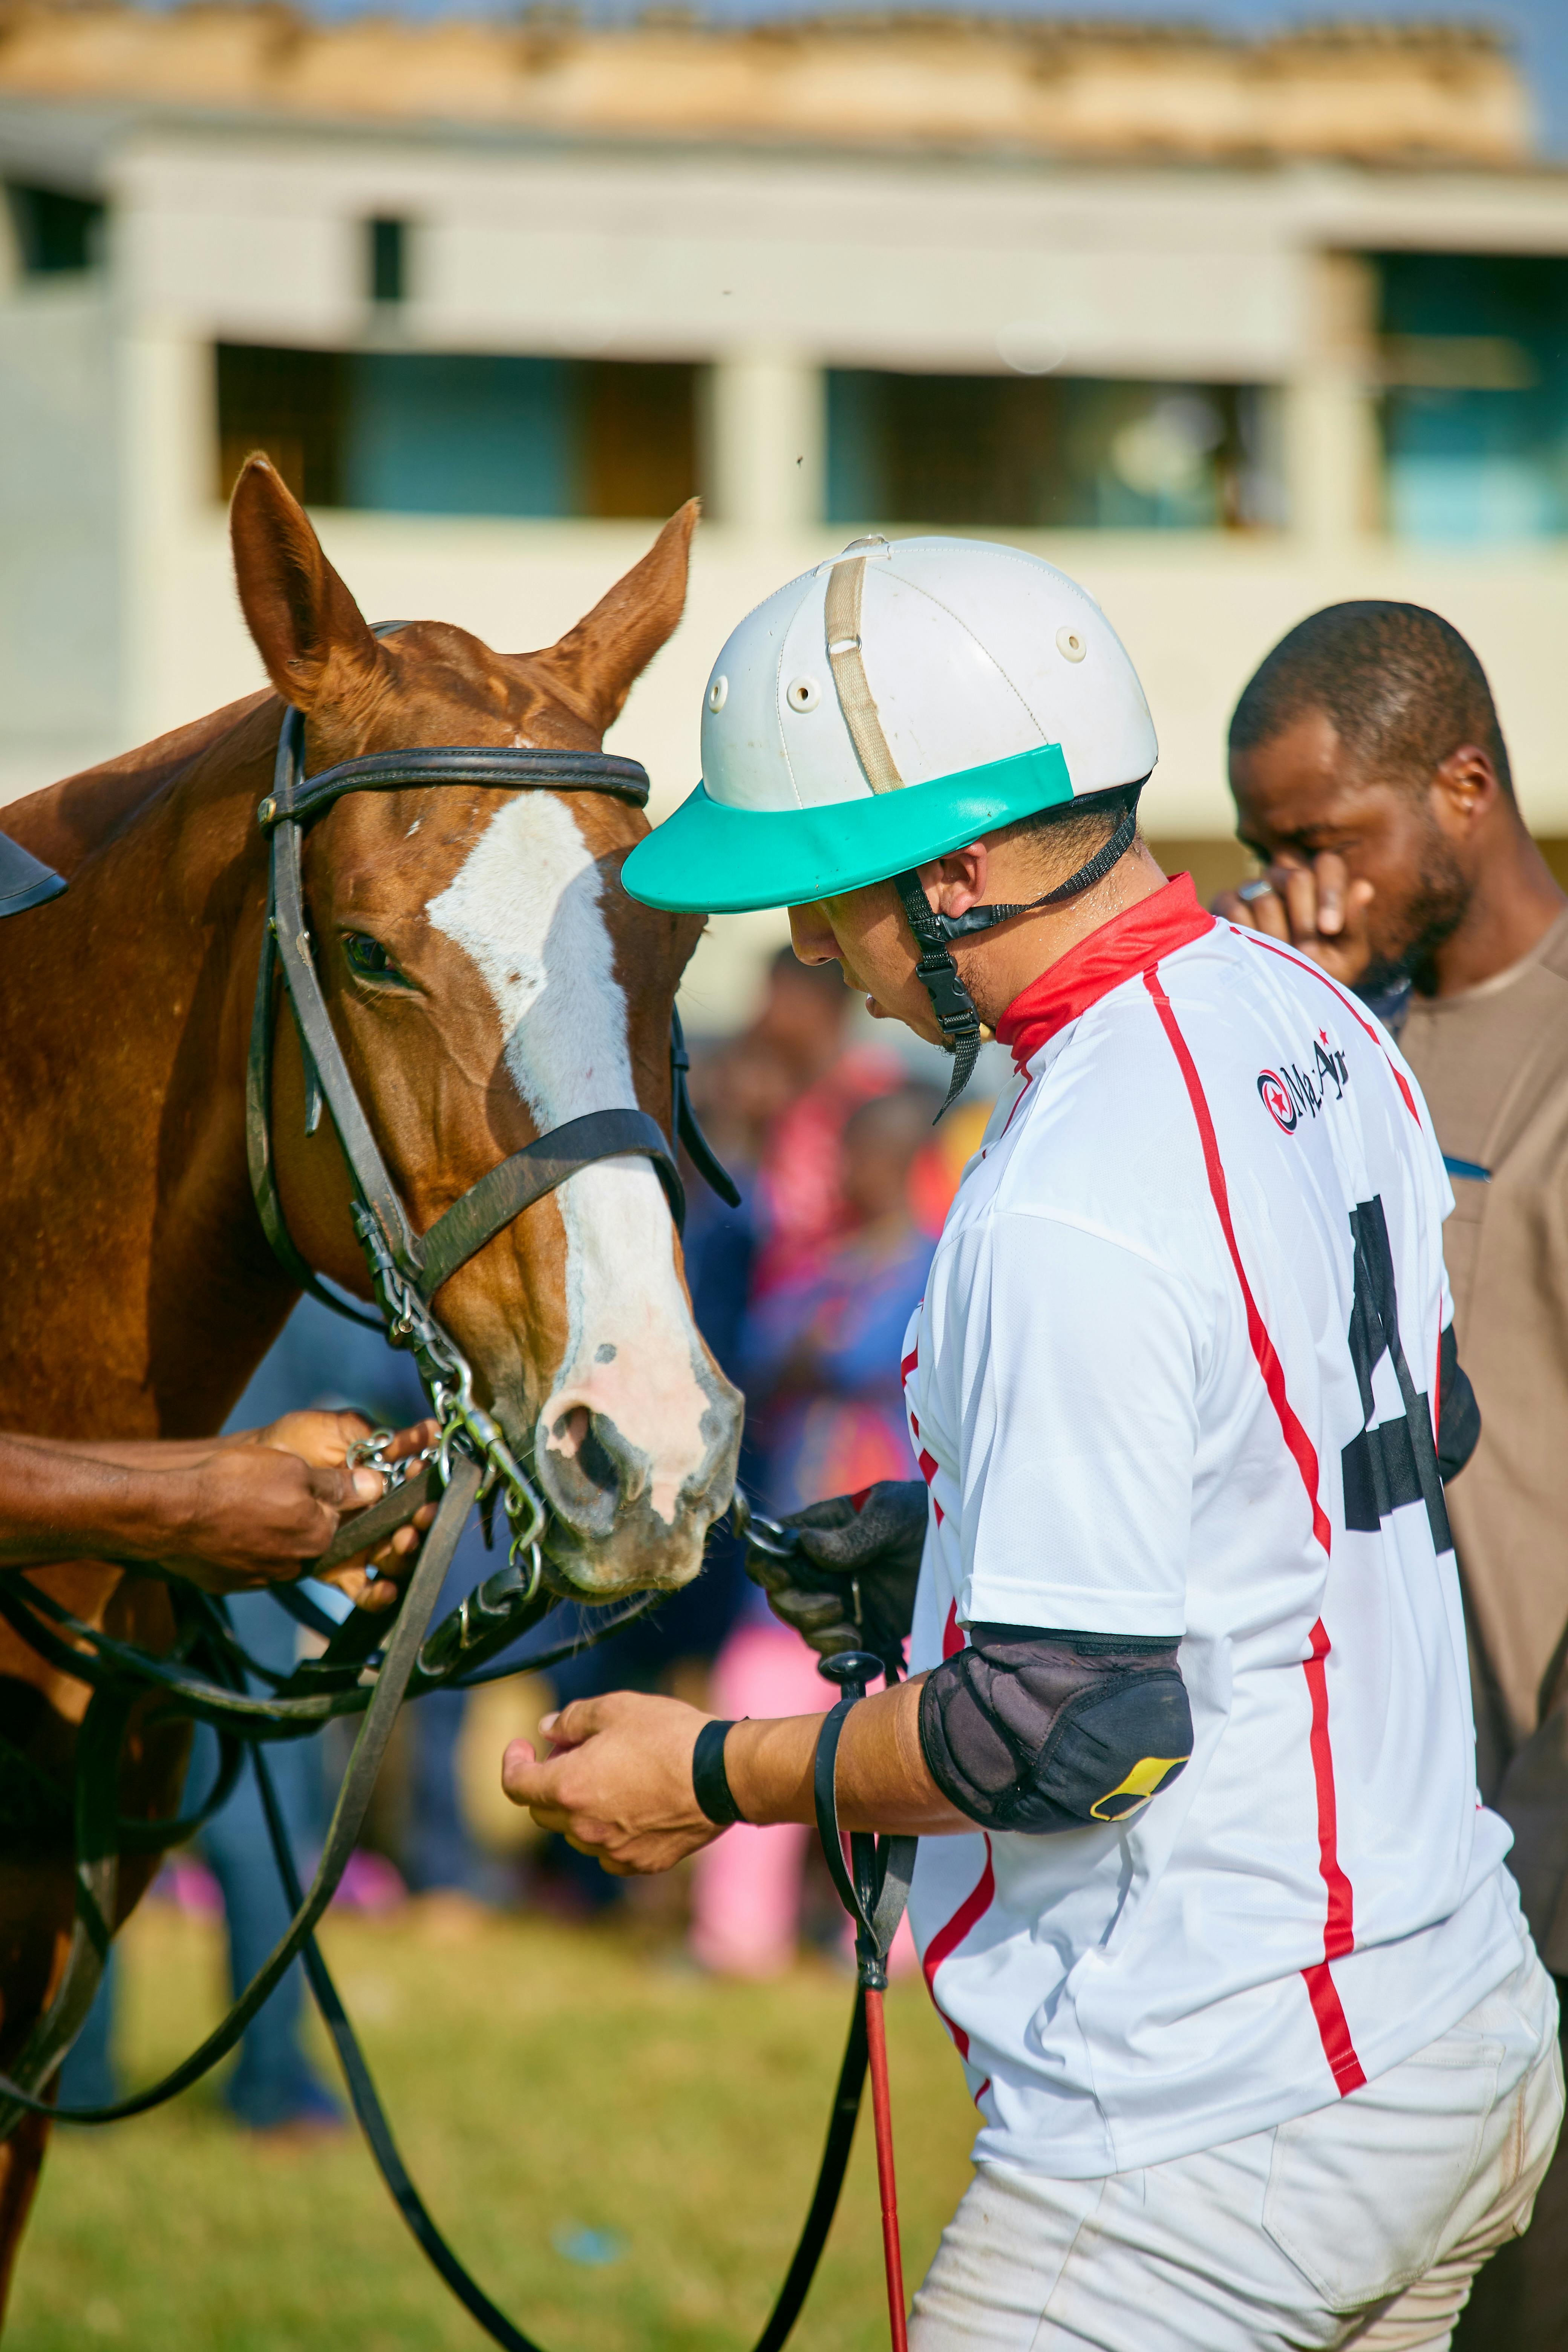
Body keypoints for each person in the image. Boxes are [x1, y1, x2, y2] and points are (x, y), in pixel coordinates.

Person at [500, 534, 1562, 2351]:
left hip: (1211, 2130)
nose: (809, 943)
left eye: (829, 895)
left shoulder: (1065, 1181)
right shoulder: (1315, 1013)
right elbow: (1374, 1434)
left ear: (964, 868)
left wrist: (715, 1770)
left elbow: (1075, 1722)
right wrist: (959, 1529)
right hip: (1456, 2021)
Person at [1214, 599, 1568, 2349]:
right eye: (1271, 851)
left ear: (1469, 786)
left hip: (1539, 1839)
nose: (1303, 887)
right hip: (1349, 1843)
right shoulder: (1315, 1044)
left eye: (1328, 840)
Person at [690, 1082, 941, 1977]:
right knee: (749, 1716)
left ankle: (885, 1938)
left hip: (894, 1569)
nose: (845, 1169)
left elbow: (865, 1355)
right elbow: (761, 1349)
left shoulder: (935, 1266)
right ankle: (734, 1938)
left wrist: (817, 1357)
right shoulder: (821, 1265)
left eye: (864, 1152)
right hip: (796, 1557)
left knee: (885, 1754)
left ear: (908, 1161)